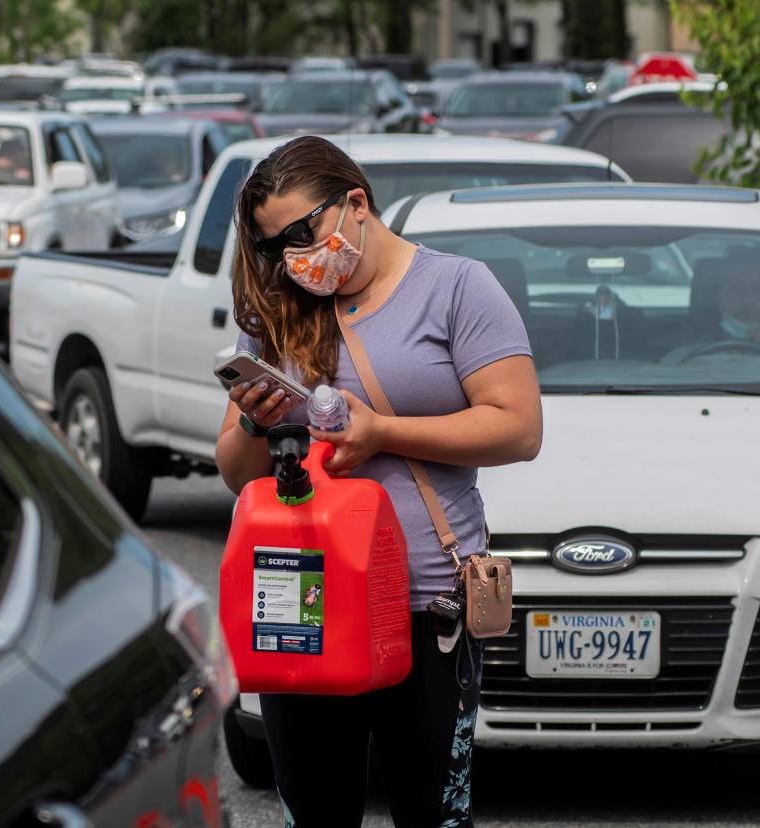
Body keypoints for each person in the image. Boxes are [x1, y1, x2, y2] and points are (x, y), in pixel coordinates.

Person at [215, 135, 542, 828]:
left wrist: (383, 434)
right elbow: (234, 474)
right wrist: (253, 424)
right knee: (318, 815)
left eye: (303, 232)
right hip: (299, 601)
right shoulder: (276, 315)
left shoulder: (457, 287)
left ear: (355, 203)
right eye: (275, 246)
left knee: (431, 816)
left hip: (427, 608)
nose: (293, 257)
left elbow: (519, 428)